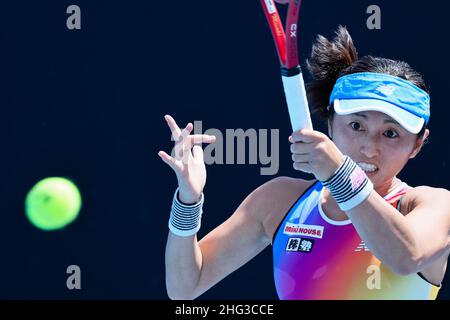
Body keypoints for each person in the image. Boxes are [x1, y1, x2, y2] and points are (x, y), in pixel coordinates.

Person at [158, 25, 450, 299]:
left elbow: (405, 257)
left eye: (390, 133)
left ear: (417, 144)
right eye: (356, 126)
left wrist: (340, 175)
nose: (369, 149)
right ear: (331, 123)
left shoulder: (434, 206)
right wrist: (188, 201)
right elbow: (185, 287)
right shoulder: (279, 200)